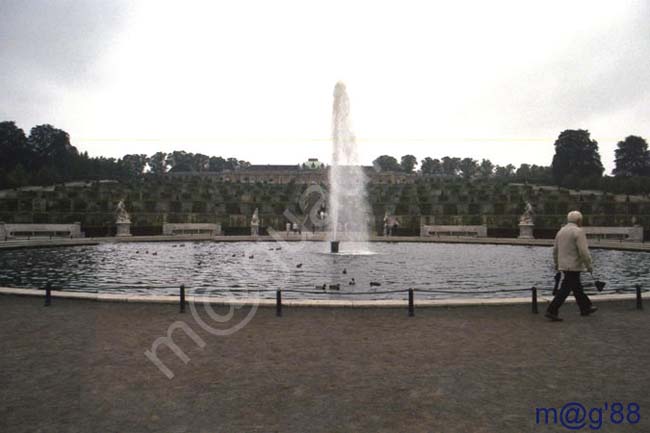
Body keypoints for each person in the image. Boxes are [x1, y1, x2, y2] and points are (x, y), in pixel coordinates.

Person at [545, 210, 598, 321]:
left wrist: (556, 264)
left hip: (564, 265)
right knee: (565, 289)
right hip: (574, 265)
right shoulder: (578, 231)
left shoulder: (561, 231)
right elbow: (584, 251)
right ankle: (552, 310)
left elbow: (555, 250)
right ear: (579, 220)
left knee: (577, 287)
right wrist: (589, 265)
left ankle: (585, 307)